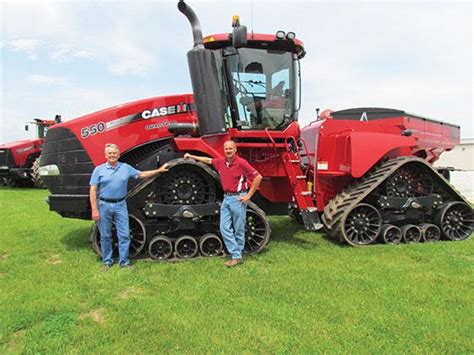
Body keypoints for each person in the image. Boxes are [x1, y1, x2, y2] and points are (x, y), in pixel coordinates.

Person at [90, 143, 169, 271]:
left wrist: (158, 171)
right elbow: (93, 190)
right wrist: (94, 209)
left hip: (120, 205)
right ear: (105, 155)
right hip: (104, 205)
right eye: (109, 153)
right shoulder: (98, 170)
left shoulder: (125, 168)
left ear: (118, 154)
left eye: (114, 153)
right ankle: (107, 261)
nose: (112, 155)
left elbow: (141, 174)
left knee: (124, 234)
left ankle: (124, 262)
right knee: (105, 235)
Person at [184, 140, 262, 267]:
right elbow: (208, 160)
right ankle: (236, 254)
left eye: (231, 148)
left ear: (235, 150)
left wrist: (248, 195)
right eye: (226, 149)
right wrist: (192, 156)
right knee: (224, 228)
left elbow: (258, 177)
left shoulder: (241, 163)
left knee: (239, 228)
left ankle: (237, 256)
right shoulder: (221, 162)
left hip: (238, 198)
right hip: (226, 199)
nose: (228, 150)